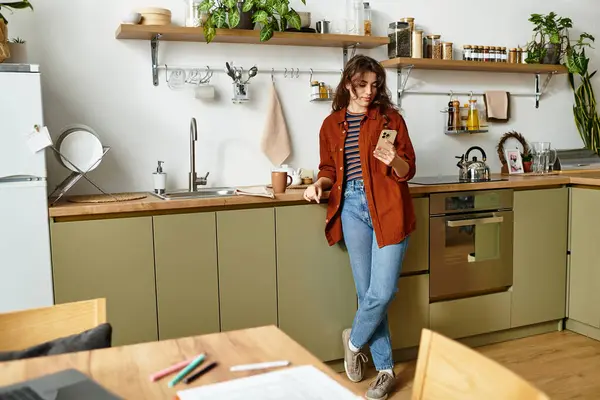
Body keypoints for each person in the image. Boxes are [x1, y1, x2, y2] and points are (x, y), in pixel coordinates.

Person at [303, 54, 416, 400]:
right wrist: (319, 184)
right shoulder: (330, 124)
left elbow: (407, 168)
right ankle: (384, 371)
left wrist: (393, 160)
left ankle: (354, 341)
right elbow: (329, 168)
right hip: (350, 207)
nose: (369, 91)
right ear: (348, 84)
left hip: (389, 205)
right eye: (362, 85)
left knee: (382, 293)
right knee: (367, 292)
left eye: (375, 85)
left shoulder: (390, 119)